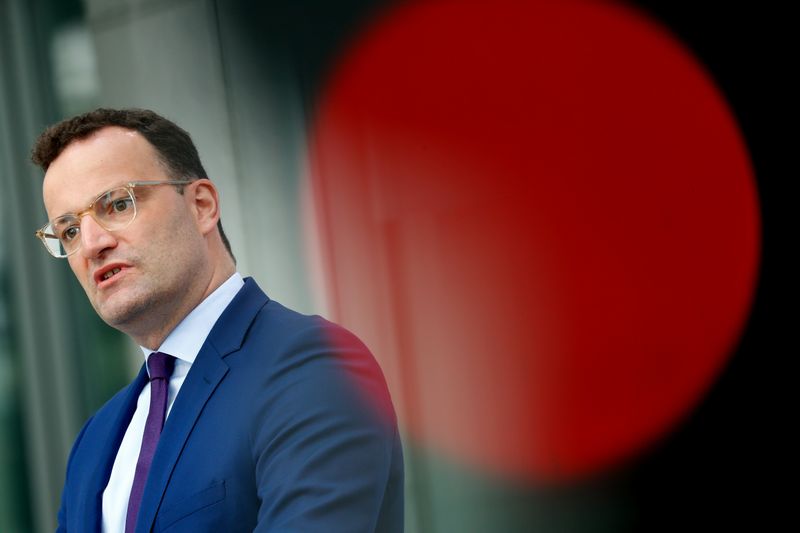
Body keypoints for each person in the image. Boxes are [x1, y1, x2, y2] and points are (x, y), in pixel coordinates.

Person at [31, 108, 403, 532]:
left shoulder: (315, 369)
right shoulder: (94, 443)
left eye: (117, 204)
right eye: (69, 231)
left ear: (202, 206)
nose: (92, 244)